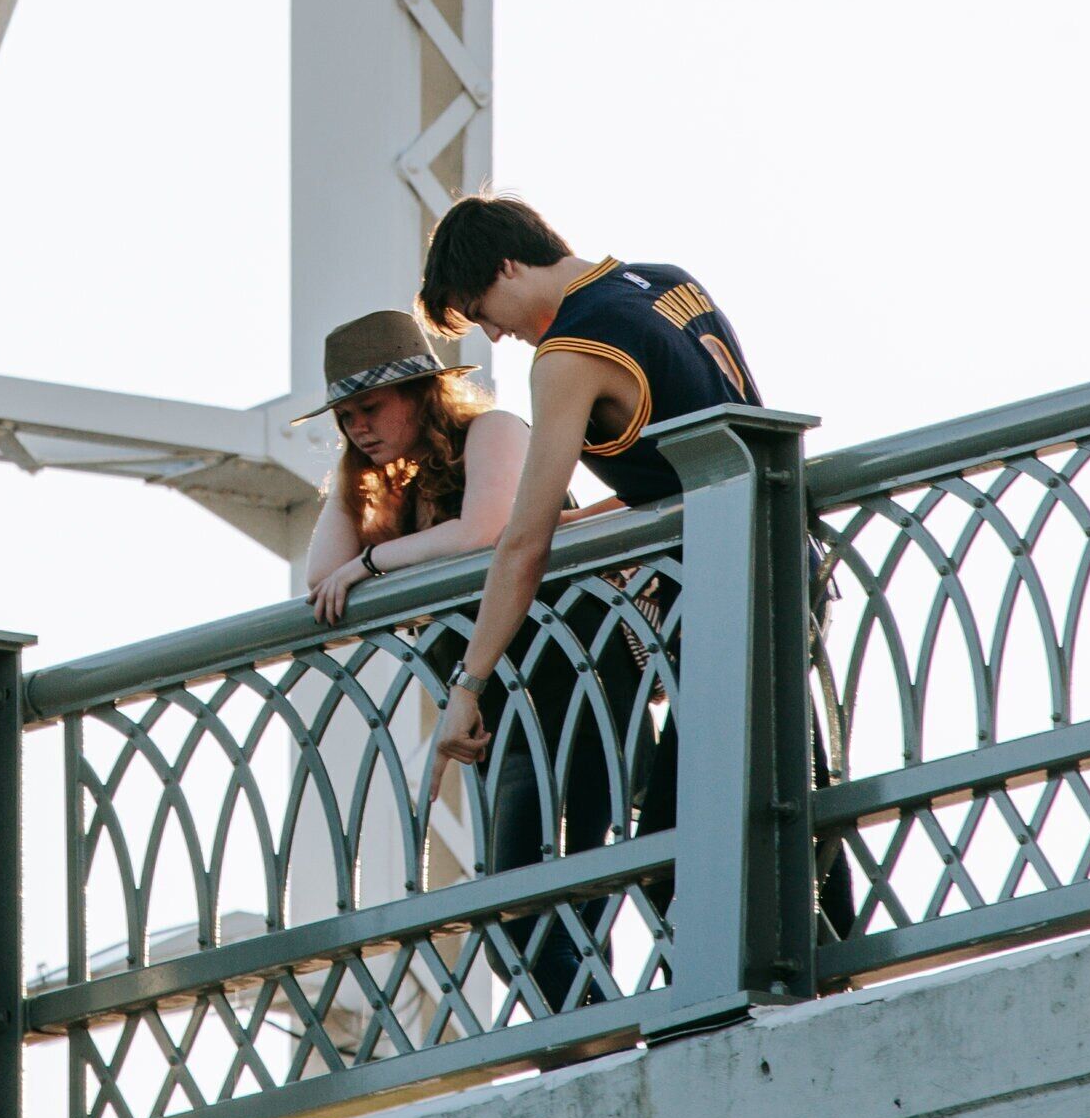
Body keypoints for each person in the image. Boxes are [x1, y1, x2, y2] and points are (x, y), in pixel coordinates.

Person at [413, 194, 767, 1008]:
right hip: (782, 561)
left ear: (506, 266)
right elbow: (703, 460)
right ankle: (815, 988)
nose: (497, 334)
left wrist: (467, 686)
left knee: (685, 854)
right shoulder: (666, 283)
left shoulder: (569, 351)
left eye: (485, 313)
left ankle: (712, 1036)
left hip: (717, 602)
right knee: (775, 813)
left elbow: (523, 541)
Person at [293, 310, 538, 624]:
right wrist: (351, 472)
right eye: (345, 417)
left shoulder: (494, 428)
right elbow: (324, 577)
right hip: (472, 664)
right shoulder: (411, 493)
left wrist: (368, 562)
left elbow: (482, 532)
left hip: (559, 644)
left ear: (420, 395)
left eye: (369, 408)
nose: (358, 427)